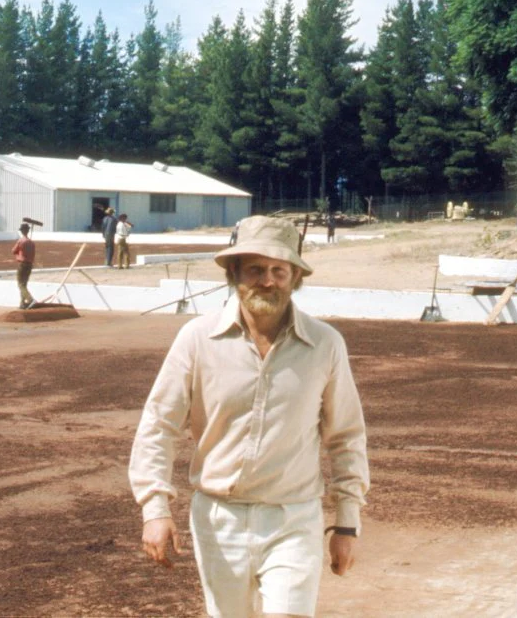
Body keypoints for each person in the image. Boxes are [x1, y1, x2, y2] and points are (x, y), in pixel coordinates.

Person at [129, 214, 369, 618]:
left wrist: (347, 523)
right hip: (218, 520)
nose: (268, 280)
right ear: (234, 275)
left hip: (293, 517)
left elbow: (346, 435)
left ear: (295, 277)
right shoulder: (196, 340)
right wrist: (155, 509)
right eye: (255, 269)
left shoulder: (325, 344)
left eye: (279, 270)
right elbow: (158, 426)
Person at [12, 222, 36, 309]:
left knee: (20, 284)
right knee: (24, 284)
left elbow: (13, 251)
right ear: (28, 231)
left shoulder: (21, 241)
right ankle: (22, 303)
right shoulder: (32, 243)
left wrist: (18, 254)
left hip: (22, 264)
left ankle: (30, 299)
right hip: (29, 265)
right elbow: (33, 254)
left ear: (22, 231)